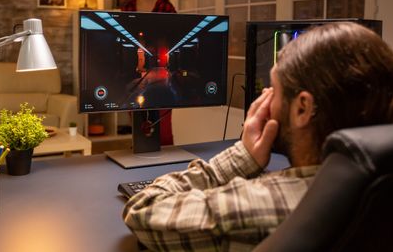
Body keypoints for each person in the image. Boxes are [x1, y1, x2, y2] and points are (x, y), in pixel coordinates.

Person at [122, 22, 393, 251]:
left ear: (302, 108)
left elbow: (143, 209)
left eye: (273, 88)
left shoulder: (263, 204)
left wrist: (243, 156)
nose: (264, 97)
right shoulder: (372, 192)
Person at [121, 0, 176, 145]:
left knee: (163, 129)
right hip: (134, 73)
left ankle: (168, 170)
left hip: (161, 75)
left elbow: (173, 38)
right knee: (139, 128)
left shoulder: (165, 7)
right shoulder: (127, 7)